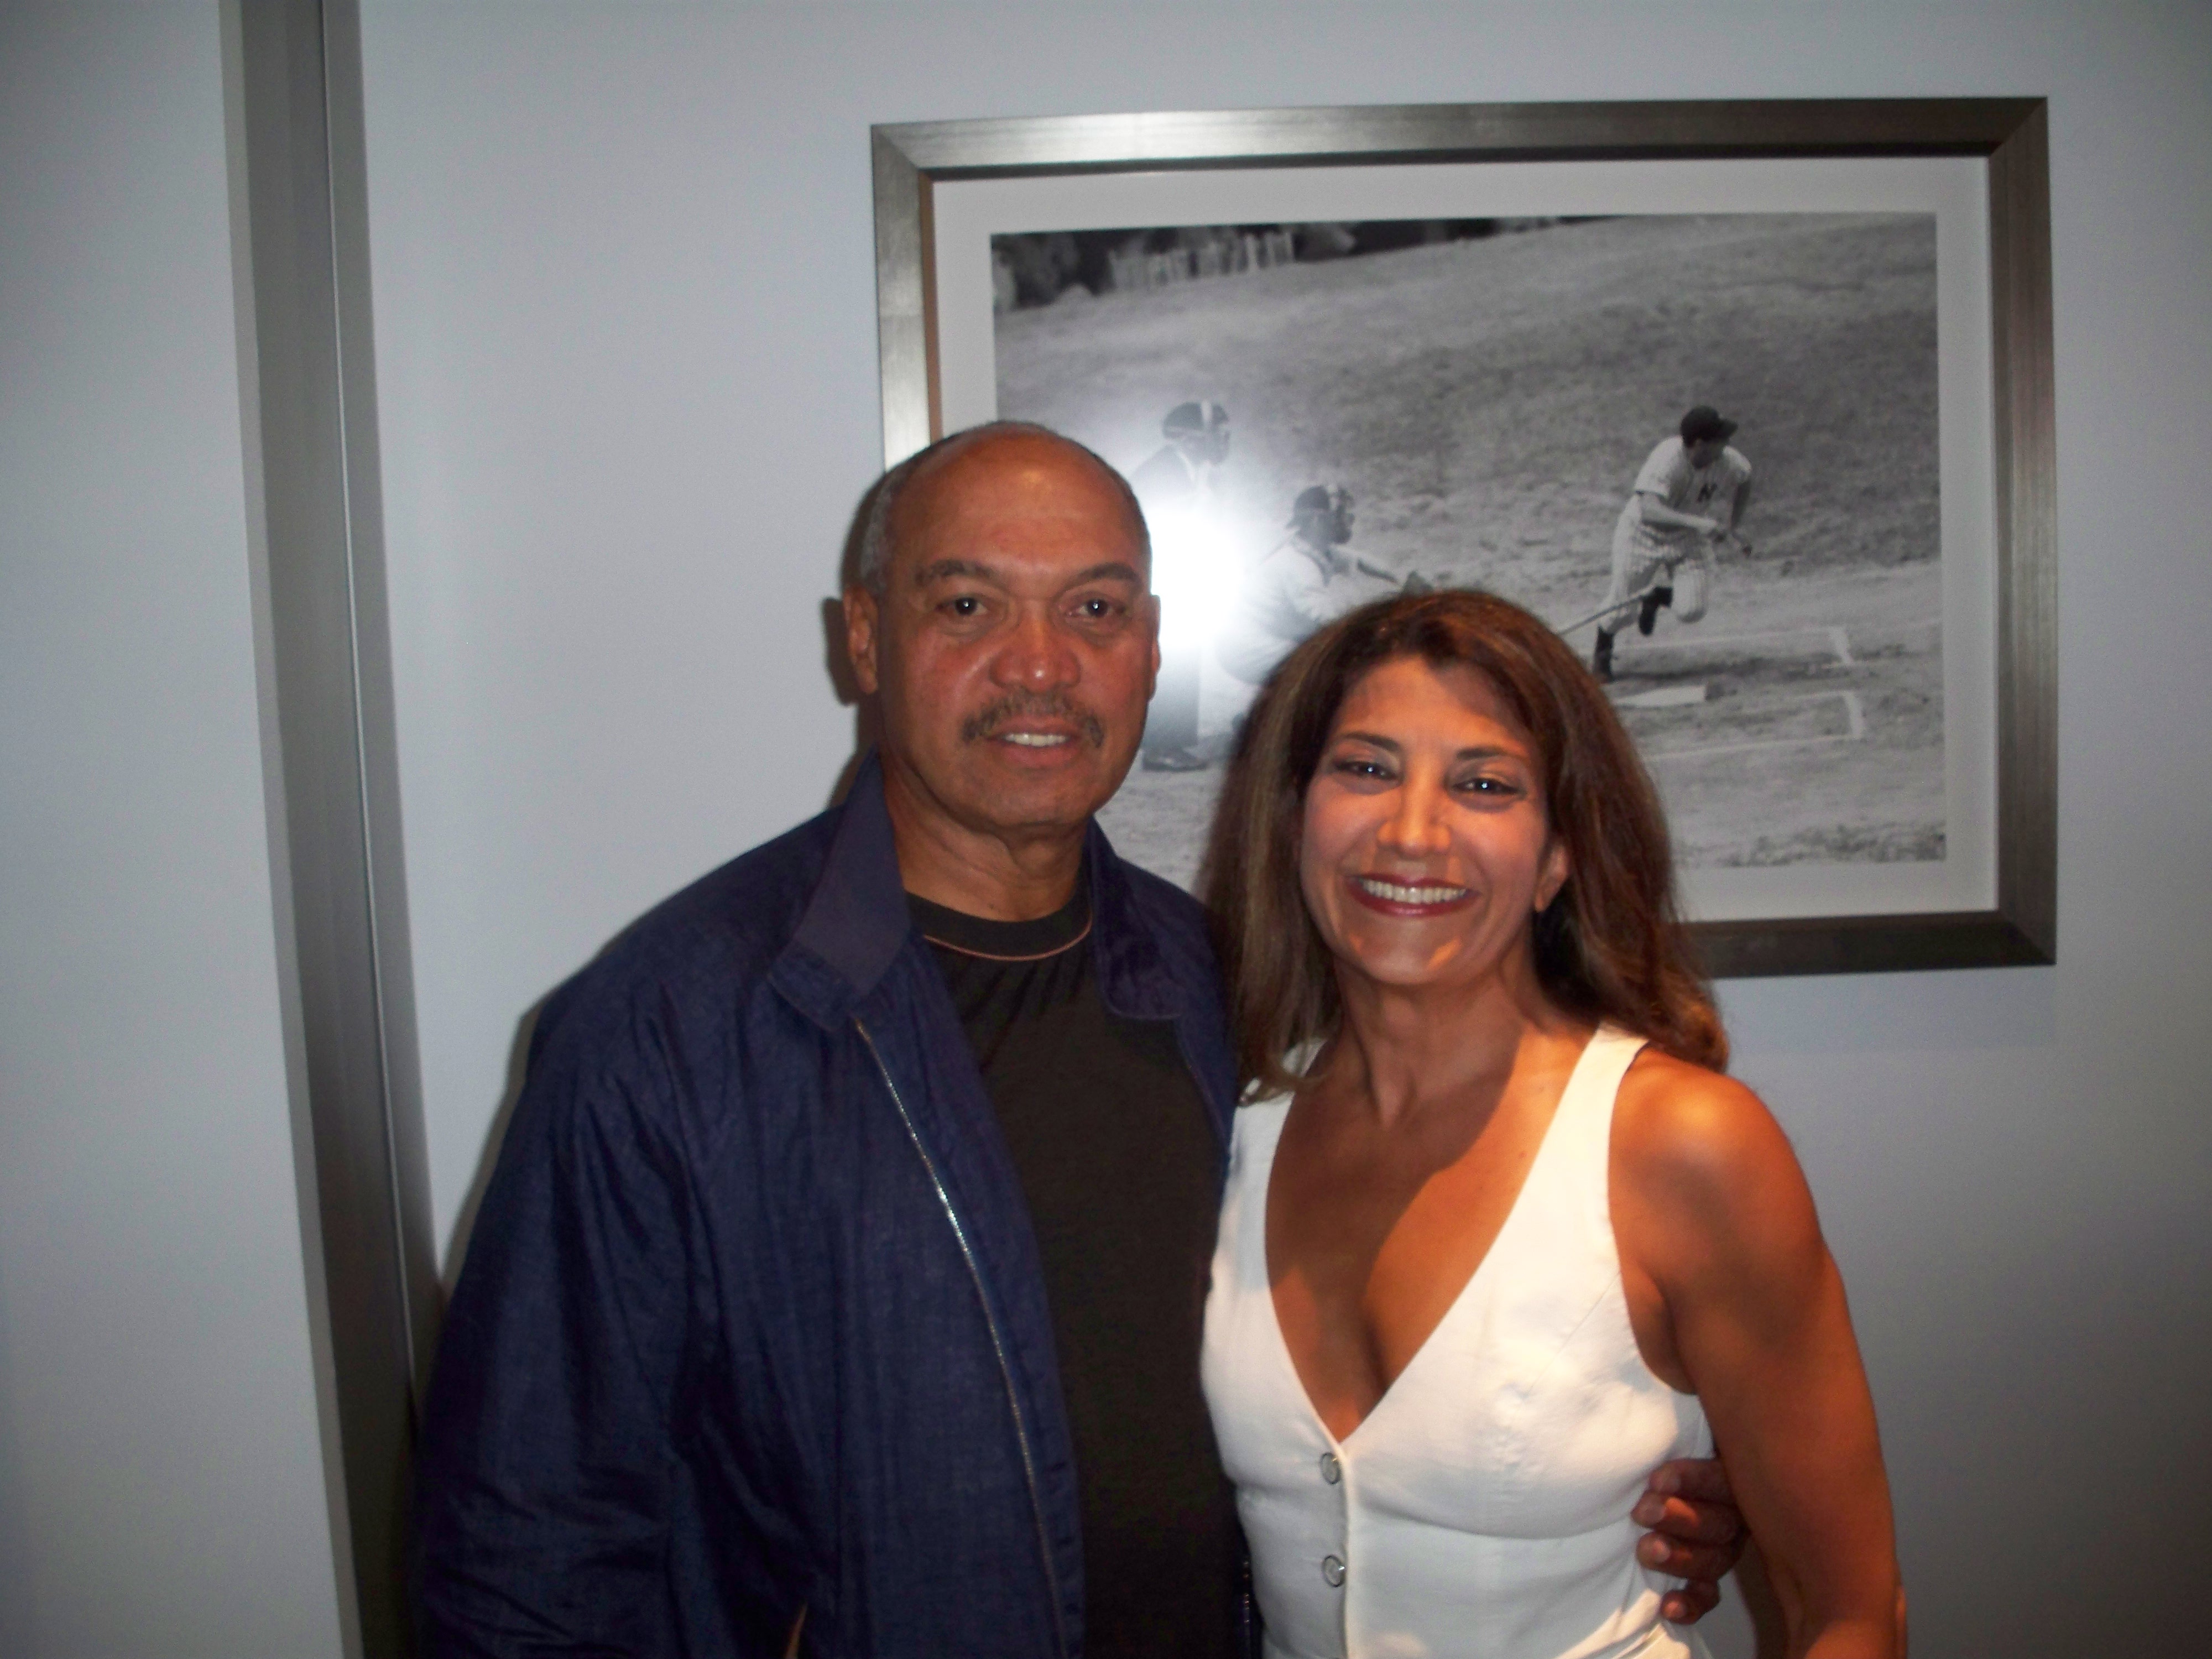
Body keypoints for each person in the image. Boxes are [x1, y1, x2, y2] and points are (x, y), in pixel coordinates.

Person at [412, 425, 1746, 1658]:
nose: (1040, 662)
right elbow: (524, 1548)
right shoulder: (668, 1031)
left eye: (1094, 609)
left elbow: (1371, 1374)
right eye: (967, 604)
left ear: (1152, 648)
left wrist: (1618, 1481)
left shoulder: (1229, 985)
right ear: (865, 638)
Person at [1200, 589, 1901, 1659]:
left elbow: (1851, 1614)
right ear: (1295, 813)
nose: (1412, 831)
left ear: (1561, 854)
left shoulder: (1682, 1147)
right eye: (1367, 768)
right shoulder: (1229, 1121)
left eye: (1484, 784)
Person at [1590, 406, 1752, 683]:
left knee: (1692, 610)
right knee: (1621, 611)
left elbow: (1746, 480)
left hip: (1687, 541)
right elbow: (1650, 510)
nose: (1727, 445)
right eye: (1720, 440)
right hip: (1642, 536)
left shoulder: (1728, 461)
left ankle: (1656, 597)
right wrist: (1698, 523)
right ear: (1700, 444)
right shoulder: (1667, 460)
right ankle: (1603, 647)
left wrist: (1734, 526)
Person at [1219, 486, 1410, 691]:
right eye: (1339, 514)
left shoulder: (1315, 550)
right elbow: (1331, 622)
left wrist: (1402, 577)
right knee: (1324, 664)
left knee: (1324, 654)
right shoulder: (1298, 567)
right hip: (1245, 647)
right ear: (1317, 521)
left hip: (1268, 634)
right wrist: (1382, 624)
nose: (1347, 519)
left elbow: (1360, 561)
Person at [1133, 400, 1232, 773]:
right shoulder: (1168, 473)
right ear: (1192, 440)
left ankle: (1170, 741)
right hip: (1162, 577)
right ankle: (1162, 747)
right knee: (1174, 661)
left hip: (1175, 574)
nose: (1223, 443)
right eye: (1216, 435)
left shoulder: (1188, 469)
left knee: (1182, 659)